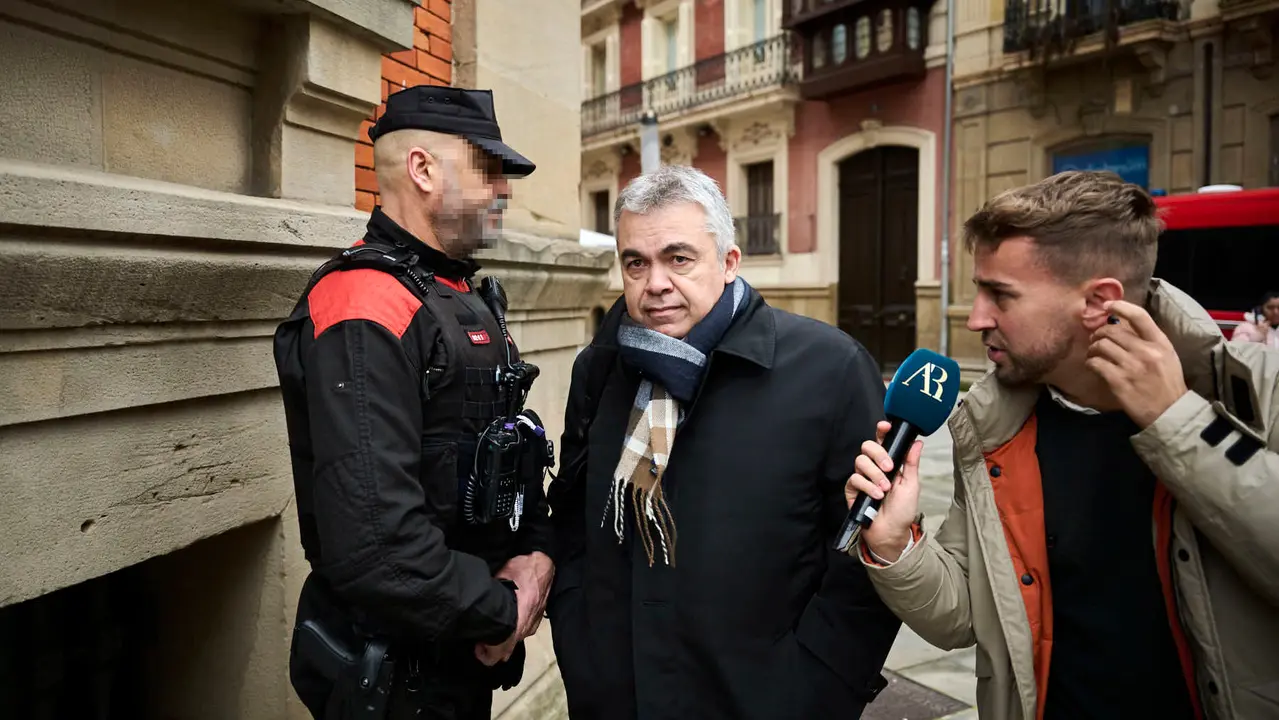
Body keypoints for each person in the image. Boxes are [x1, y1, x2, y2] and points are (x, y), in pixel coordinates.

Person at [844, 170, 1279, 720]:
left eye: (1000, 294)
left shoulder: (1261, 392)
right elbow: (964, 617)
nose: (977, 318)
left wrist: (1179, 425)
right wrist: (894, 546)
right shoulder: (995, 424)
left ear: (1099, 301)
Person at [545, 165, 902, 720]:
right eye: (635, 262)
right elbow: (571, 519)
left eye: (678, 258)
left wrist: (819, 684)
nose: (654, 282)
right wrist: (578, 644)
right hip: (615, 697)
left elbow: (866, 549)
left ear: (729, 261)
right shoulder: (600, 368)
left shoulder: (828, 369)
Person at [272, 85, 556, 720]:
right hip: (398, 679)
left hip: (462, 656)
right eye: (488, 170)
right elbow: (376, 544)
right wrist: (505, 610)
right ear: (423, 169)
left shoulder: (459, 294)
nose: (503, 191)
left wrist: (536, 556)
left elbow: (511, 447)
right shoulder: (364, 302)